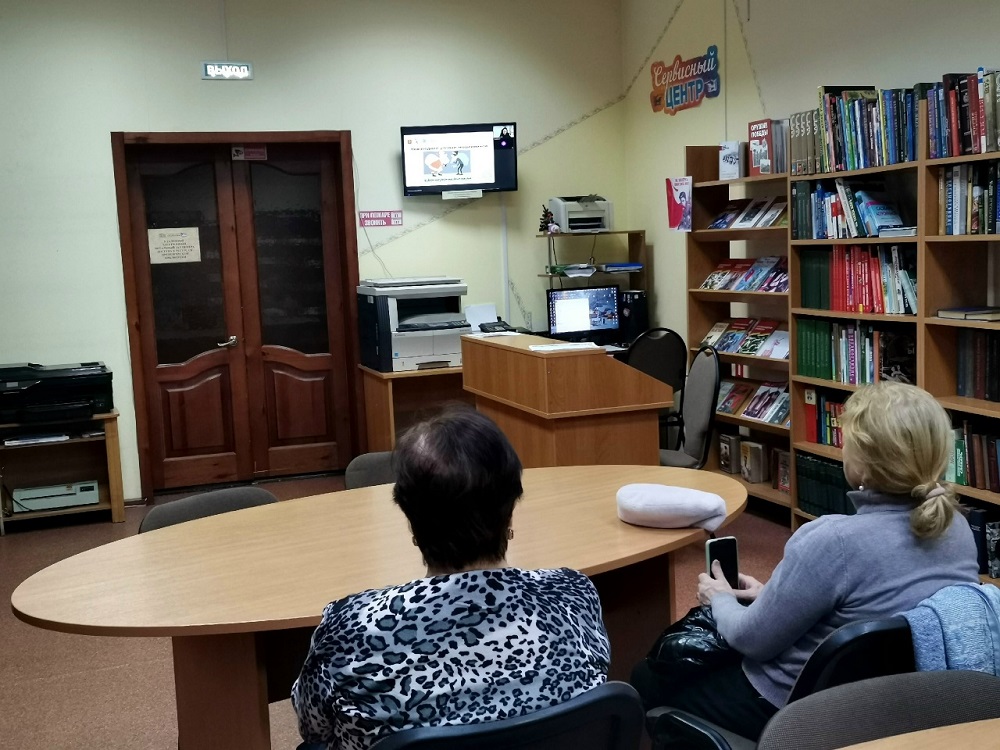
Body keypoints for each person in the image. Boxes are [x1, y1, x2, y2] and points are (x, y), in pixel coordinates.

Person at [631, 381, 979, 740]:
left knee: (647, 676)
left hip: (796, 709)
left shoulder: (832, 540)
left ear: (864, 464)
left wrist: (718, 598)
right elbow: (877, 601)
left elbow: (750, 640)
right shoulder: (956, 528)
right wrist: (773, 595)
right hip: (899, 702)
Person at [292, 407, 610, 750]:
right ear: (510, 509)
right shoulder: (572, 594)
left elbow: (313, 727)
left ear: (411, 520)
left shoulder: (351, 630)